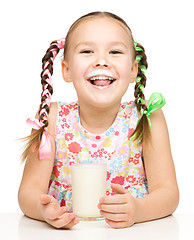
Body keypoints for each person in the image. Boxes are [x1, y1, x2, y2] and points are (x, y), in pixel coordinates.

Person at [18, 11, 179, 229]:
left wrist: (138, 211)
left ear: (133, 70)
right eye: (86, 51)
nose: (102, 61)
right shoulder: (52, 118)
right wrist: (43, 210)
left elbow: (168, 194)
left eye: (115, 51)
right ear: (66, 70)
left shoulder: (146, 117)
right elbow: (29, 191)